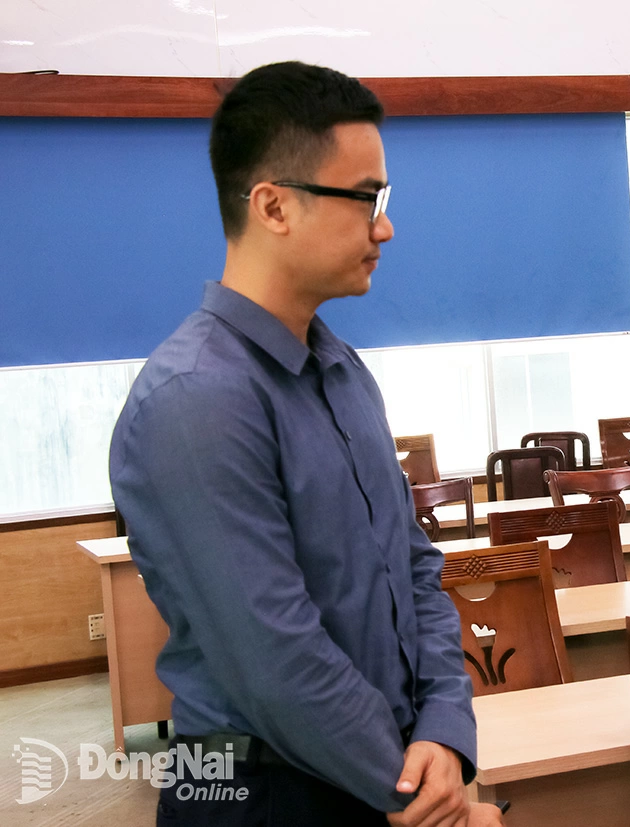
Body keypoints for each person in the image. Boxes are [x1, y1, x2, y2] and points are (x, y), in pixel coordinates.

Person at [109, 62, 503, 827]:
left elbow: (414, 568)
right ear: (274, 206)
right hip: (265, 793)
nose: (384, 226)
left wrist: (446, 733)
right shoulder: (196, 396)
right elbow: (274, 659)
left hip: (383, 775)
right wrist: (430, 800)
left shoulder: (341, 369)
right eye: (366, 198)